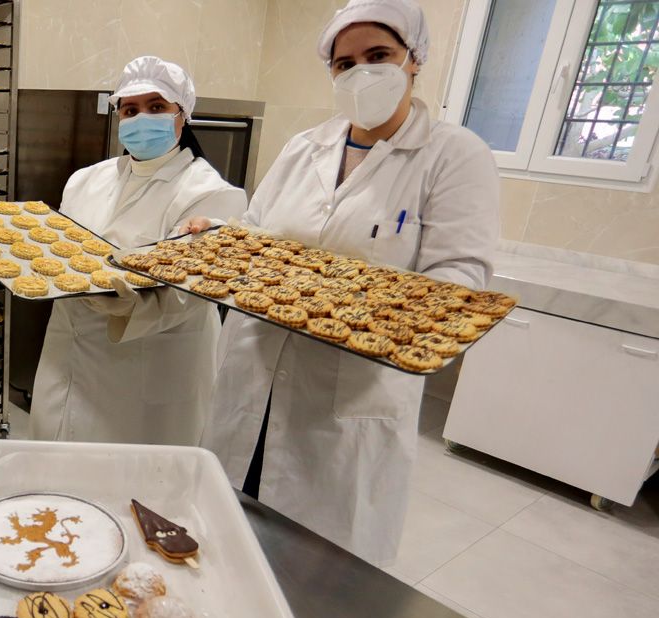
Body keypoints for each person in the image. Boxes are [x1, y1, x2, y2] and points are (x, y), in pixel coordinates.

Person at [192, 0, 499, 565]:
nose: (360, 72)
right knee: (229, 536)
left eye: (378, 55)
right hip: (253, 370)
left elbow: (462, 282)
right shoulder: (303, 147)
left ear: (414, 59)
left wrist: (357, 304)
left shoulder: (453, 156)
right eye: (344, 62)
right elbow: (260, 233)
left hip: (347, 394)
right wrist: (219, 238)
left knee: (317, 566)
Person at [29, 56, 247, 446]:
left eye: (157, 107)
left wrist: (132, 307)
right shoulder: (85, 180)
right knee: (60, 469)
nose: (141, 118)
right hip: (68, 349)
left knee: (136, 487)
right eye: (130, 110)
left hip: (148, 363)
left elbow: (196, 291)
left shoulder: (209, 193)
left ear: (183, 115)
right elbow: (58, 247)